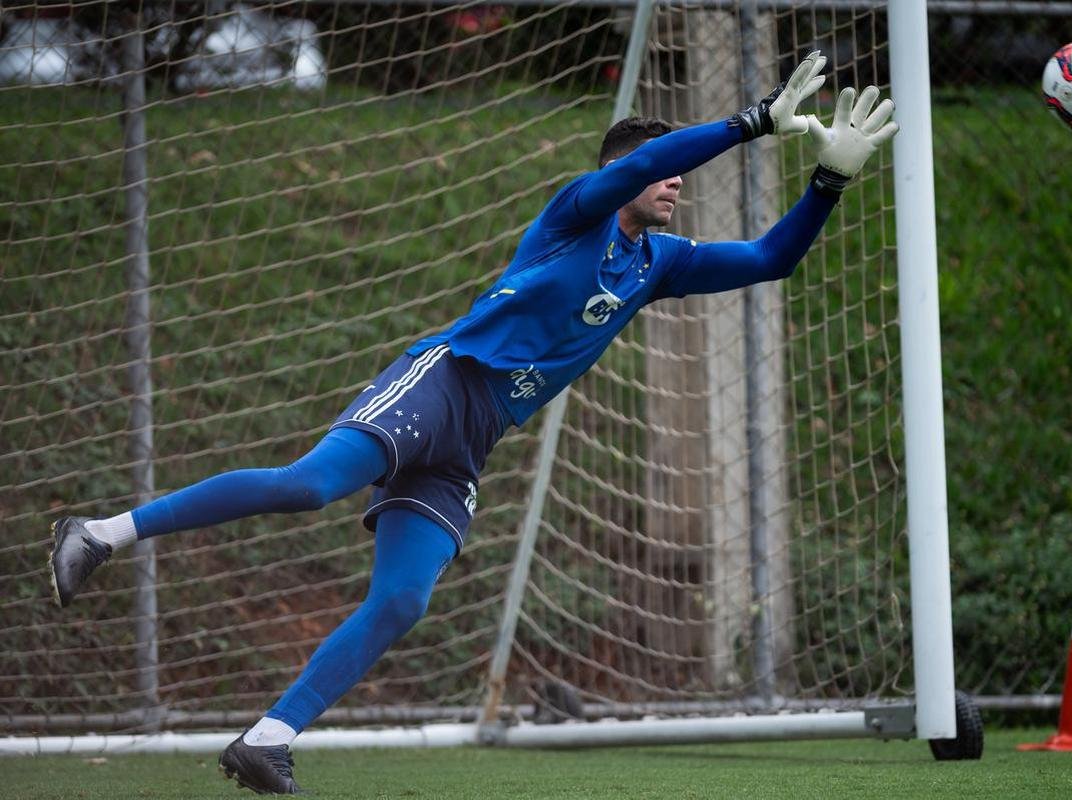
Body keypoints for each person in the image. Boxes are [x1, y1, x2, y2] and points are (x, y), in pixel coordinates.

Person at [48, 52, 897, 795]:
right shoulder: (579, 213)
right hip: (443, 383)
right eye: (662, 170)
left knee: (403, 599)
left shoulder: (658, 262)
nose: (677, 182)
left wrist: (829, 181)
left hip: (476, 436)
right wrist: (748, 122)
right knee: (309, 486)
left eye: (678, 174)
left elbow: (768, 260)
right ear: (623, 171)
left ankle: (267, 740)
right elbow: (658, 157)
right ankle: (100, 533)